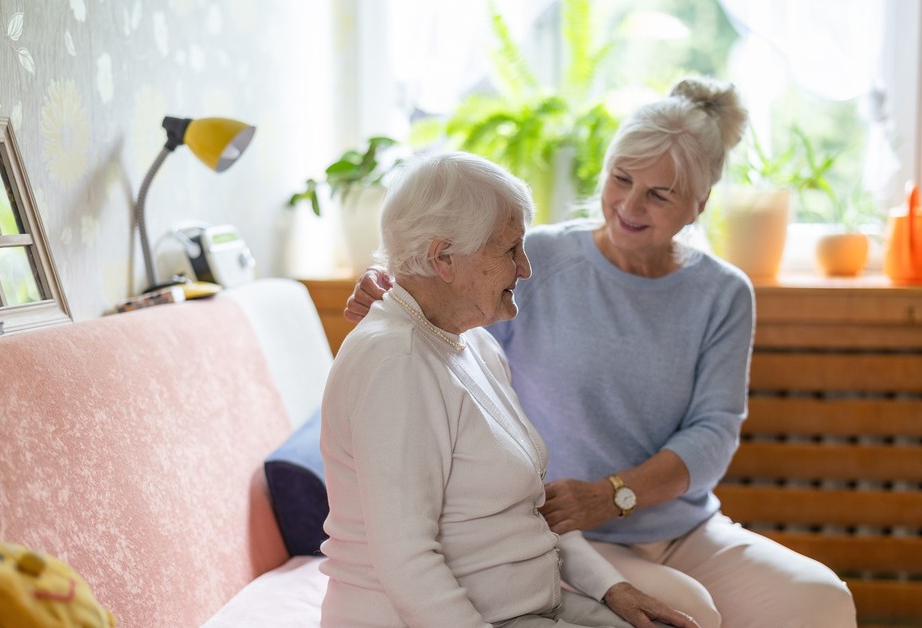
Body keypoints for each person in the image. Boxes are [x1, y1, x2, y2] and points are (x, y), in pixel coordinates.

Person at [342, 78, 858, 628]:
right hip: (565, 532)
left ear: (699, 204)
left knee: (821, 599)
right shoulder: (538, 258)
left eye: (659, 194)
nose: (630, 206)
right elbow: (451, 323)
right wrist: (390, 286)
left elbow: (714, 431)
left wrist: (614, 495)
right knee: (687, 612)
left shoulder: (723, 292)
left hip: (681, 528)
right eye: (622, 179)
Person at [318, 151, 698, 628]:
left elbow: (530, 507)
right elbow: (407, 562)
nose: (525, 268)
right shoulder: (397, 363)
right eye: (510, 250)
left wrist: (611, 588)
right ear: (443, 258)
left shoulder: (473, 342)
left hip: (527, 605)